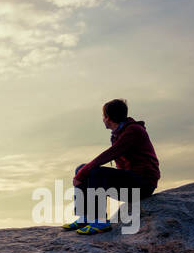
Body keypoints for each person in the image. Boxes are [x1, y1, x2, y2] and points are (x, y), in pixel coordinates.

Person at [67, 99, 160, 234]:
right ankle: (86, 217)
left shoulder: (133, 131)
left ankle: (100, 221)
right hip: (131, 181)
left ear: (108, 118)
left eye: (103, 116)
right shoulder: (119, 133)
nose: (103, 119)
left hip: (143, 184)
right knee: (81, 168)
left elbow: (108, 155)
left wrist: (82, 173)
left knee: (94, 172)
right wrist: (82, 171)